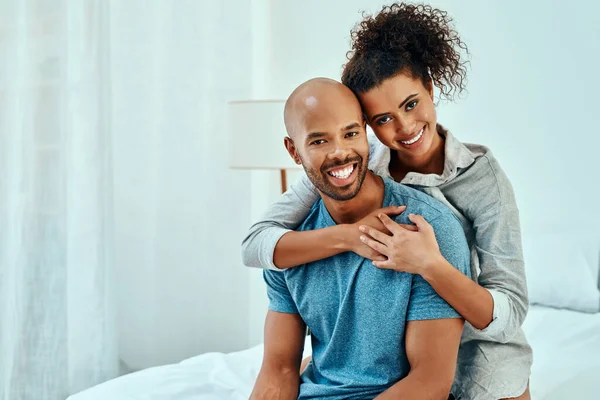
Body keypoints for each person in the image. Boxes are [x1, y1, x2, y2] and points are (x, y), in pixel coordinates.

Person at [243, 3, 532, 400]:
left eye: (411, 104)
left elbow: (508, 310)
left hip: (478, 346)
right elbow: (256, 244)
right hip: (394, 349)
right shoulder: (353, 165)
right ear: (368, 126)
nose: (404, 127)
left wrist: (431, 264)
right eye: (383, 119)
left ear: (430, 90)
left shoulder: (480, 184)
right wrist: (350, 237)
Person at [249, 77, 470, 400]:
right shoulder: (289, 247)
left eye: (351, 133)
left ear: (366, 134)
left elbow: (429, 382)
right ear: (294, 151)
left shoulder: (427, 231)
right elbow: (279, 369)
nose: (340, 152)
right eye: (319, 141)